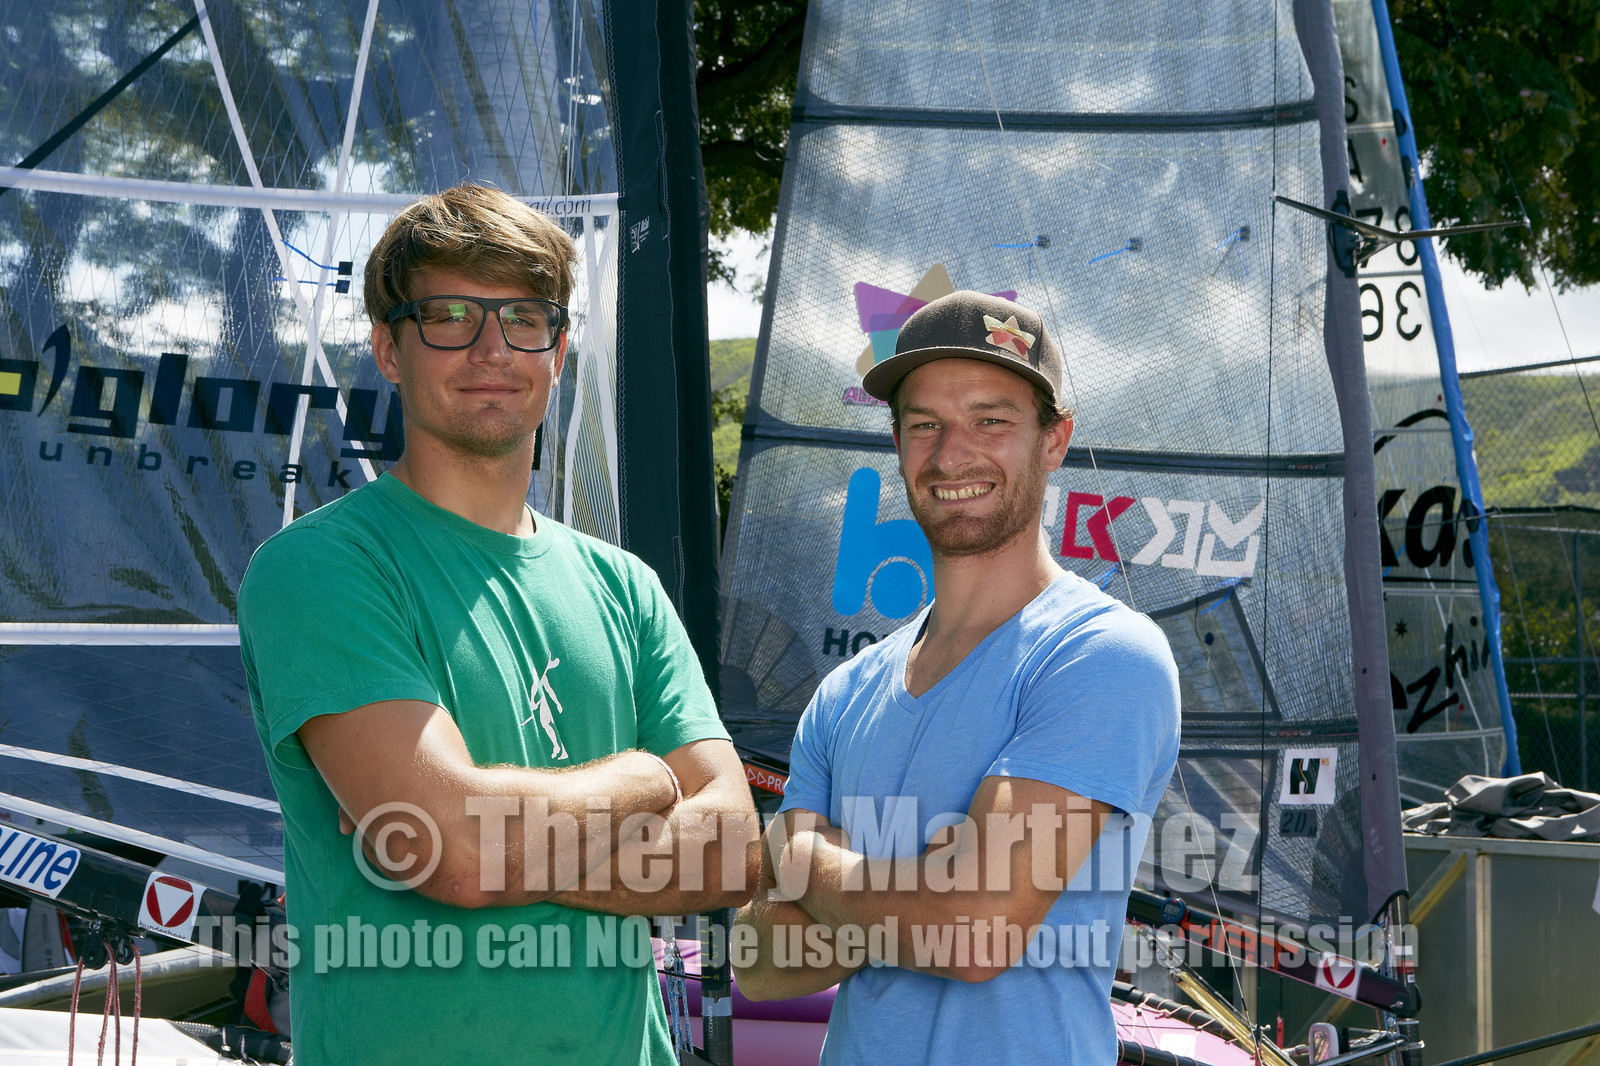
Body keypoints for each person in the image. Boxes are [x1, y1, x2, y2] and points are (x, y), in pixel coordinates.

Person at [237, 183, 757, 1065]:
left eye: (524, 318)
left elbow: (736, 852)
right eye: (448, 315)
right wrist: (639, 781)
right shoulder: (321, 568)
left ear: (557, 352)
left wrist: (495, 841)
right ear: (388, 349)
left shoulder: (623, 587)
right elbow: (451, 850)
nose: (491, 348)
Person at [733, 291, 1181, 1063]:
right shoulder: (846, 694)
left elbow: (974, 933)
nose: (951, 455)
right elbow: (760, 963)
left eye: (991, 420)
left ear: (1053, 440)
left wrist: (804, 858)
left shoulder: (1101, 655)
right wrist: (920, 886)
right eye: (924, 425)